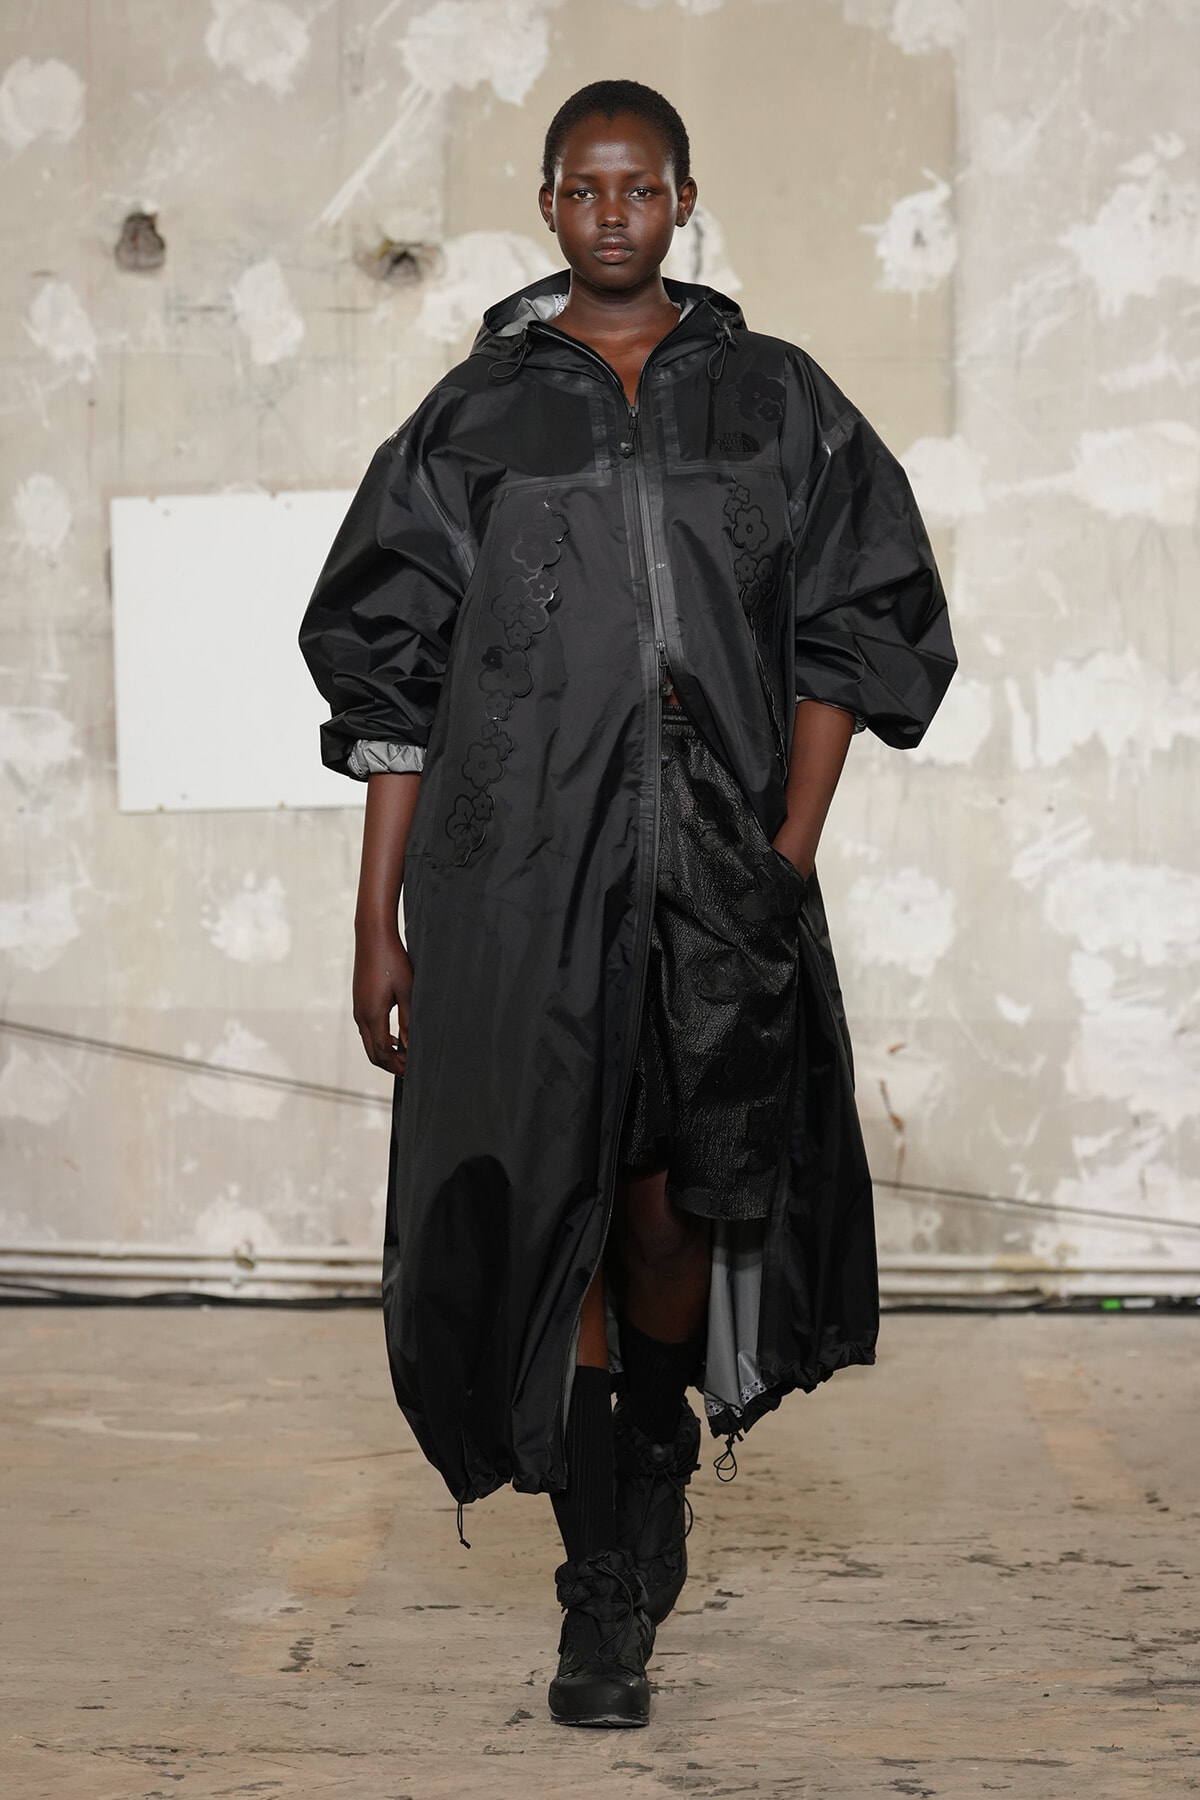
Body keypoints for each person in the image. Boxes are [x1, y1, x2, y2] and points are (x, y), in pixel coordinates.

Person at [300, 79, 955, 1729]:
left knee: (676, 1202)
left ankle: (653, 1447)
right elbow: (392, 677)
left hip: (721, 879)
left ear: (680, 200)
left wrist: (786, 857)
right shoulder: (471, 424)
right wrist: (380, 922)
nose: (612, 211)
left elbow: (858, 626)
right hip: (517, 887)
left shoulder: (775, 401)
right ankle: (599, 1589)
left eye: (640, 185)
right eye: (583, 187)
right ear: (547, 205)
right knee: (559, 1206)